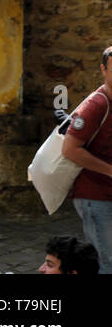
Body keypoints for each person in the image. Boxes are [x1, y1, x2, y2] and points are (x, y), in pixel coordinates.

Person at [62, 45, 112, 273]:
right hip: (96, 197)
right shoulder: (97, 104)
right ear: (103, 69)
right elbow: (70, 149)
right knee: (106, 263)